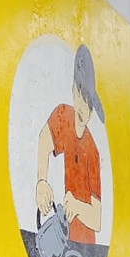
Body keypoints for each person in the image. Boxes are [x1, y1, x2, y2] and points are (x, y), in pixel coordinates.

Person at [36, 44, 104, 244]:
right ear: (74, 92)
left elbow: (97, 219)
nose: (84, 107)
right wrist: (42, 181)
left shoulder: (92, 151)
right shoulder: (63, 115)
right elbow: (44, 141)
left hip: (84, 245)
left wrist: (78, 207)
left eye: (89, 103)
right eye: (81, 96)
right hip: (62, 237)